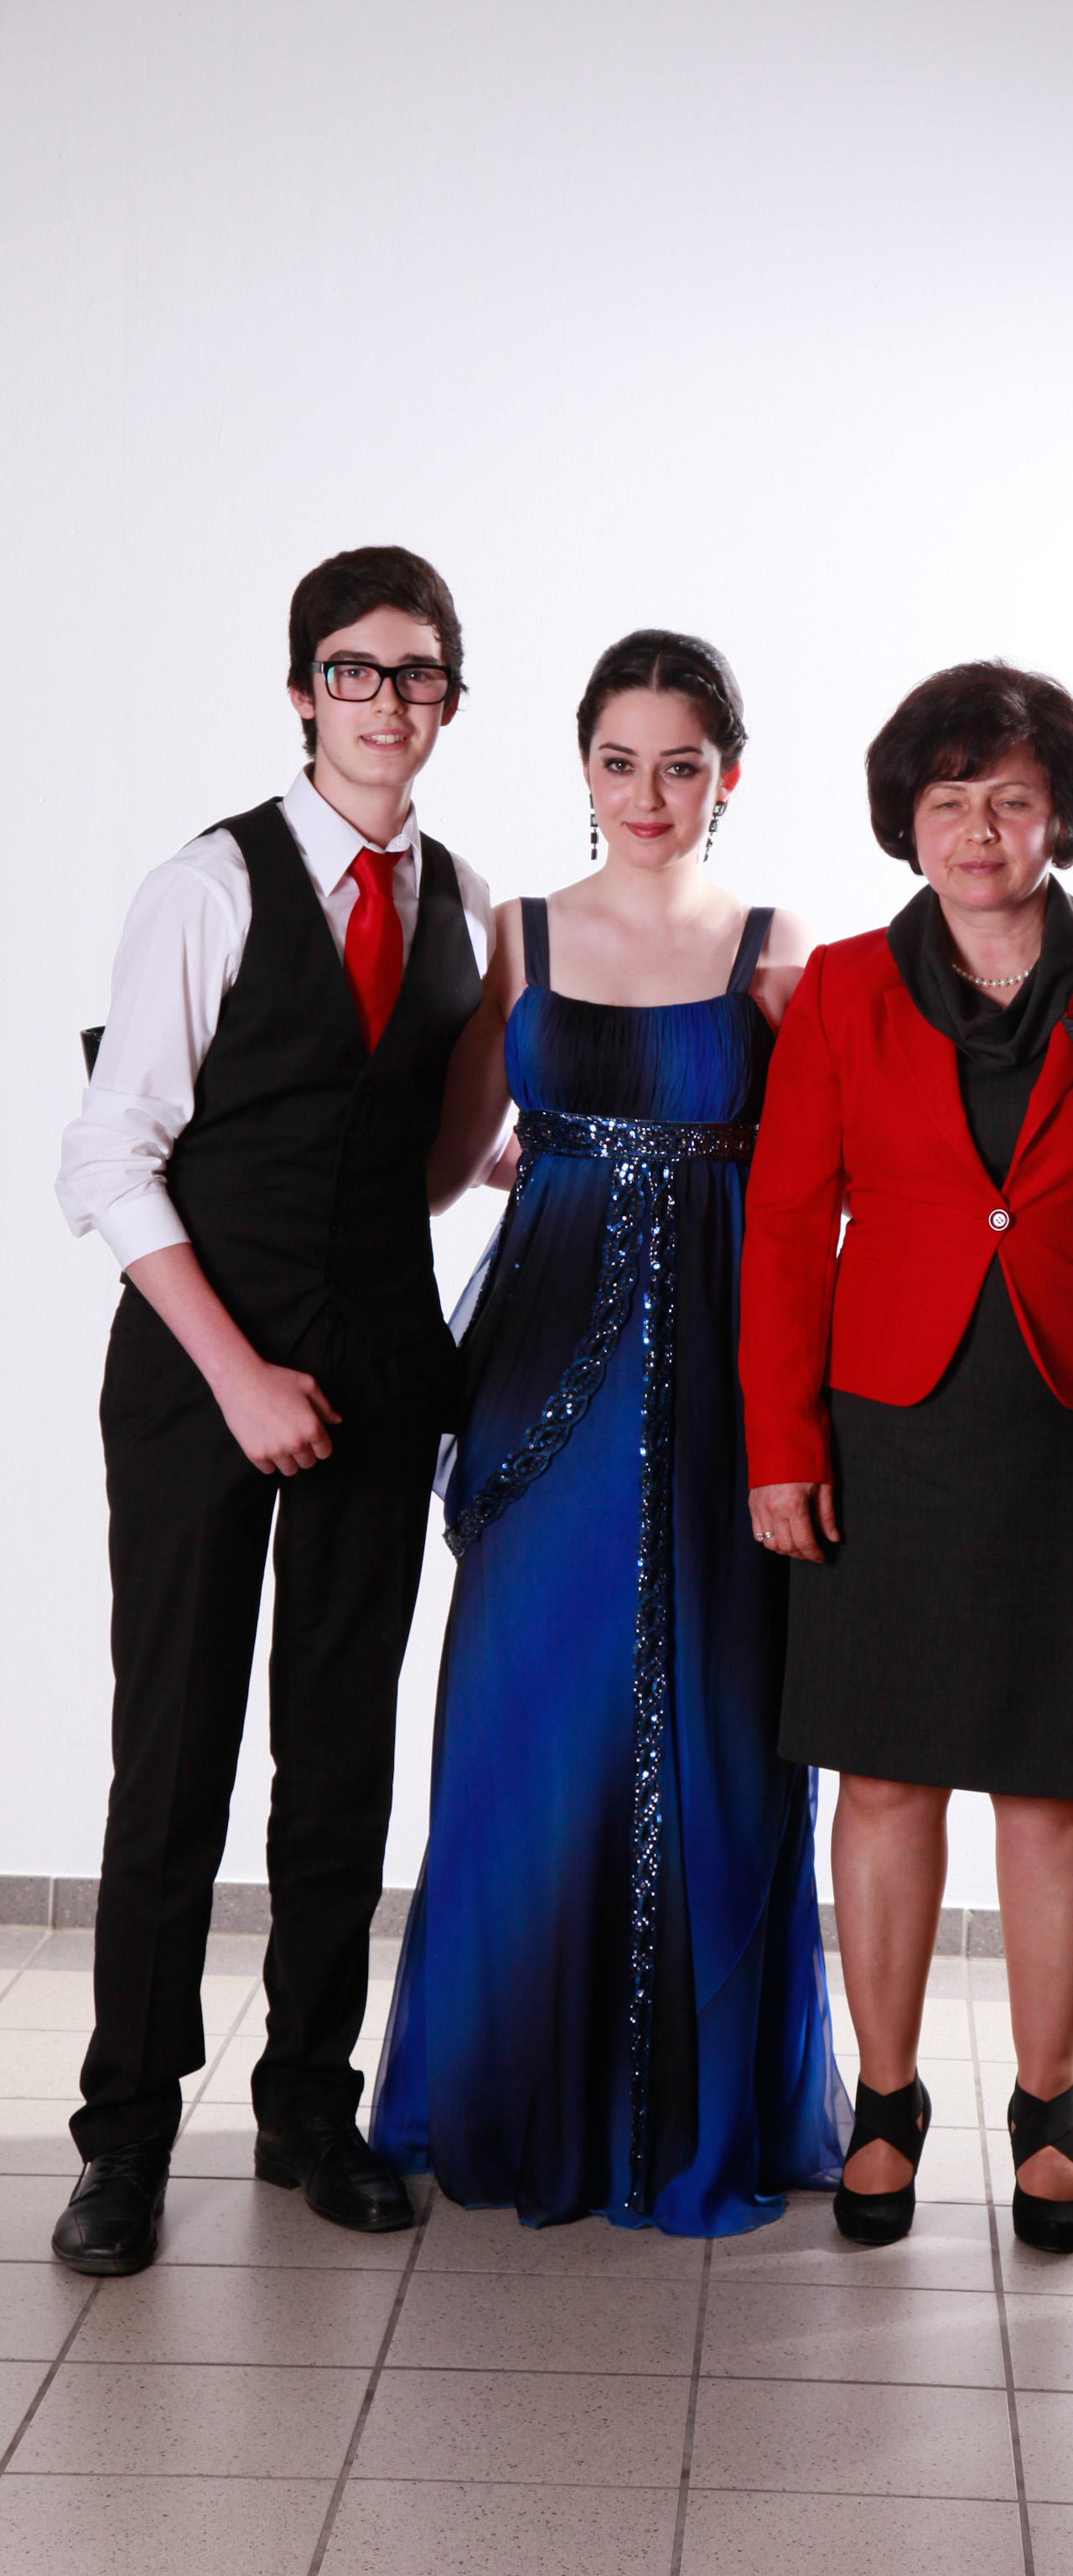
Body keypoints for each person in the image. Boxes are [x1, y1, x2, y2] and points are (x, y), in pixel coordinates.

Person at [371, 631, 848, 2236]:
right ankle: (517, 2093)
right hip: (541, 1372)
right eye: (620, 762)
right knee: (529, 1722)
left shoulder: (778, 950)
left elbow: (827, 1181)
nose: (649, 794)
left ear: (730, 776)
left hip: (718, 1381)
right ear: (583, 767)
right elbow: (443, 1163)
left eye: (682, 765)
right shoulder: (517, 935)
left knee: (716, 1720)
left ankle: (689, 2114)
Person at [51, 546, 492, 2275]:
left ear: (449, 700)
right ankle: (126, 2136)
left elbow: (418, 1159)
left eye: (419, 674)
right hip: (196, 1378)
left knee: (338, 1760)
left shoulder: (461, 898)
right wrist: (237, 1376)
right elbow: (110, 1156)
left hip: (379, 1375)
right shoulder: (207, 885)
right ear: (305, 692)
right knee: (172, 1758)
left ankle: (310, 2103)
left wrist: (499, 1165)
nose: (388, 702)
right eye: (355, 671)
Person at [739, 662, 1073, 2251]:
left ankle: (1049, 2105)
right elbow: (786, 1225)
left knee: (1052, 1788)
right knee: (883, 1773)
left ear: (1063, 813)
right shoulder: (844, 988)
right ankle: (887, 2098)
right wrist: (780, 1446)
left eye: (1010, 799)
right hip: (890, 1426)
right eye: (948, 801)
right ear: (905, 822)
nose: (979, 830)